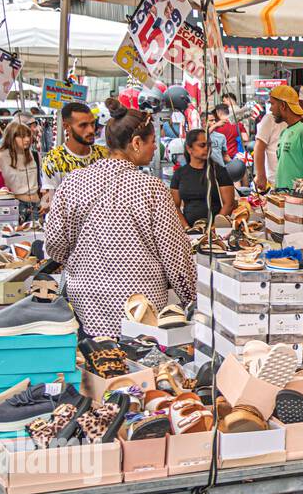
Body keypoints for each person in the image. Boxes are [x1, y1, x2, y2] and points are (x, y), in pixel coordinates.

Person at [45, 99, 195, 338]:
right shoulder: (151, 188)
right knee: (141, 372)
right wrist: (191, 299)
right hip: (141, 309)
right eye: (153, 142)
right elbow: (175, 255)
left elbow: (54, 245)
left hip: (87, 304)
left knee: (97, 366)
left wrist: (84, 262)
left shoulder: (74, 182)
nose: (155, 148)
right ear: (136, 143)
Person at [40, 101, 108, 212]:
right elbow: (49, 202)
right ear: (67, 126)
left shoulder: (104, 155)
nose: (91, 130)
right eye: (83, 125)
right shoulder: (53, 159)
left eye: (92, 123)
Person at [170, 129, 235, 228]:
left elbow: (229, 204)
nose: (207, 148)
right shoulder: (179, 174)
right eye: (202, 145)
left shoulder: (219, 172)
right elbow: (174, 207)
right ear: (189, 148)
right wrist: (187, 228)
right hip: (189, 231)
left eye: (209, 145)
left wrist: (214, 229)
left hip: (215, 232)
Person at [266, 83, 303, 189]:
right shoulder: (285, 132)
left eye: (272, 104)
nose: (270, 109)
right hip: (282, 198)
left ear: (283, 105)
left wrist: (300, 197)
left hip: (296, 202)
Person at [0, 120, 42, 224]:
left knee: (35, 239)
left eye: (28, 136)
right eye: (22, 136)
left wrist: (43, 202)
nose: (27, 139)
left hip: (35, 205)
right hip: (15, 206)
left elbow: (40, 182)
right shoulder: (1, 156)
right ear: (11, 137)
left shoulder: (35, 156)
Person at [253, 102, 285, 192]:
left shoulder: (302, 124)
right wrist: (261, 175)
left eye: (272, 104)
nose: (270, 108)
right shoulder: (270, 119)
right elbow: (259, 147)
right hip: (274, 180)